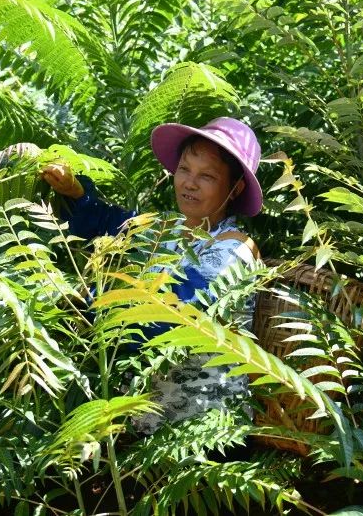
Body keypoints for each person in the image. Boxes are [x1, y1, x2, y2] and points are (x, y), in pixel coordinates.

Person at [41, 116, 263, 433]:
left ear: (235, 188)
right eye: (185, 169)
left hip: (203, 431)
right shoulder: (167, 227)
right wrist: (75, 192)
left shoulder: (232, 252)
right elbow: (108, 221)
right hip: (147, 422)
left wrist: (88, 303)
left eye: (207, 176)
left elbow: (168, 316)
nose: (189, 182)